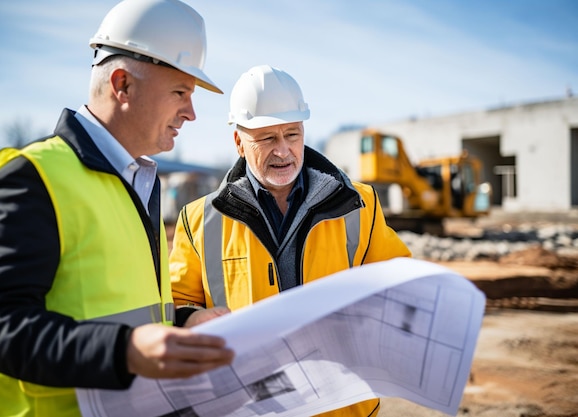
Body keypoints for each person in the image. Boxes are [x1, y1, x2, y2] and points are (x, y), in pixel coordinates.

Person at [0, 1, 234, 415]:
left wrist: (182, 323)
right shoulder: (35, 177)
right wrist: (122, 351)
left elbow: (126, 303)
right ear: (122, 84)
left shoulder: (141, 182)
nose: (191, 113)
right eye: (180, 92)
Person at [169, 64, 412, 416]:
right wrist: (190, 319)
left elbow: (400, 286)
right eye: (267, 138)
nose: (283, 151)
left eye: (292, 134)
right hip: (246, 406)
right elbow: (177, 302)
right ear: (239, 142)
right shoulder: (198, 221)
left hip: (343, 408)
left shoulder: (360, 205)